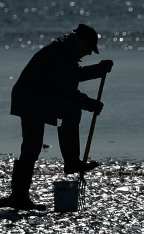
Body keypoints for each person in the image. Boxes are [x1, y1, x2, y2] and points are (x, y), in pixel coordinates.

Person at [7, 23, 113, 209]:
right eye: (89, 49)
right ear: (80, 41)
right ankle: (19, 197)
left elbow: (71, 77)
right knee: (32, 147)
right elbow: (67, 90)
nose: (88, 53)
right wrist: (90, 104)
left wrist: (97, 70)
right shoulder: (60, 53)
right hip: (30, 99)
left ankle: (71, 162)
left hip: (40, 97)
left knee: (70, 112)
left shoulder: (66, 51)